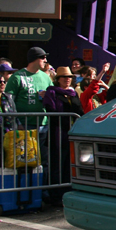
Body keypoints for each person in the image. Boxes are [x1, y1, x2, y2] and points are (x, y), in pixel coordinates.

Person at [42, 66, 83, 204]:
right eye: (64, 77)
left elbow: (79, 110)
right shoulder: (52, 92)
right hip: (57, 133)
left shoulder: (73, 93)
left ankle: (66, 192)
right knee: (57, 164)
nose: (67, 80)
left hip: (71, 133)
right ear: (58, 79)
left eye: (69, 77)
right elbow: (51, 110)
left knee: (68, 165)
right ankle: (55, 195)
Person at [5, 47, 51, 131]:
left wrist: (48, 95)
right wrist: (16, 123)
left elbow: (53, 96)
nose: (45, 60)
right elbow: (9, 102)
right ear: (34, 58)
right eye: (43, 57)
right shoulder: (17, 77)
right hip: (23, 124)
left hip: (43, 124)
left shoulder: (46, 77)